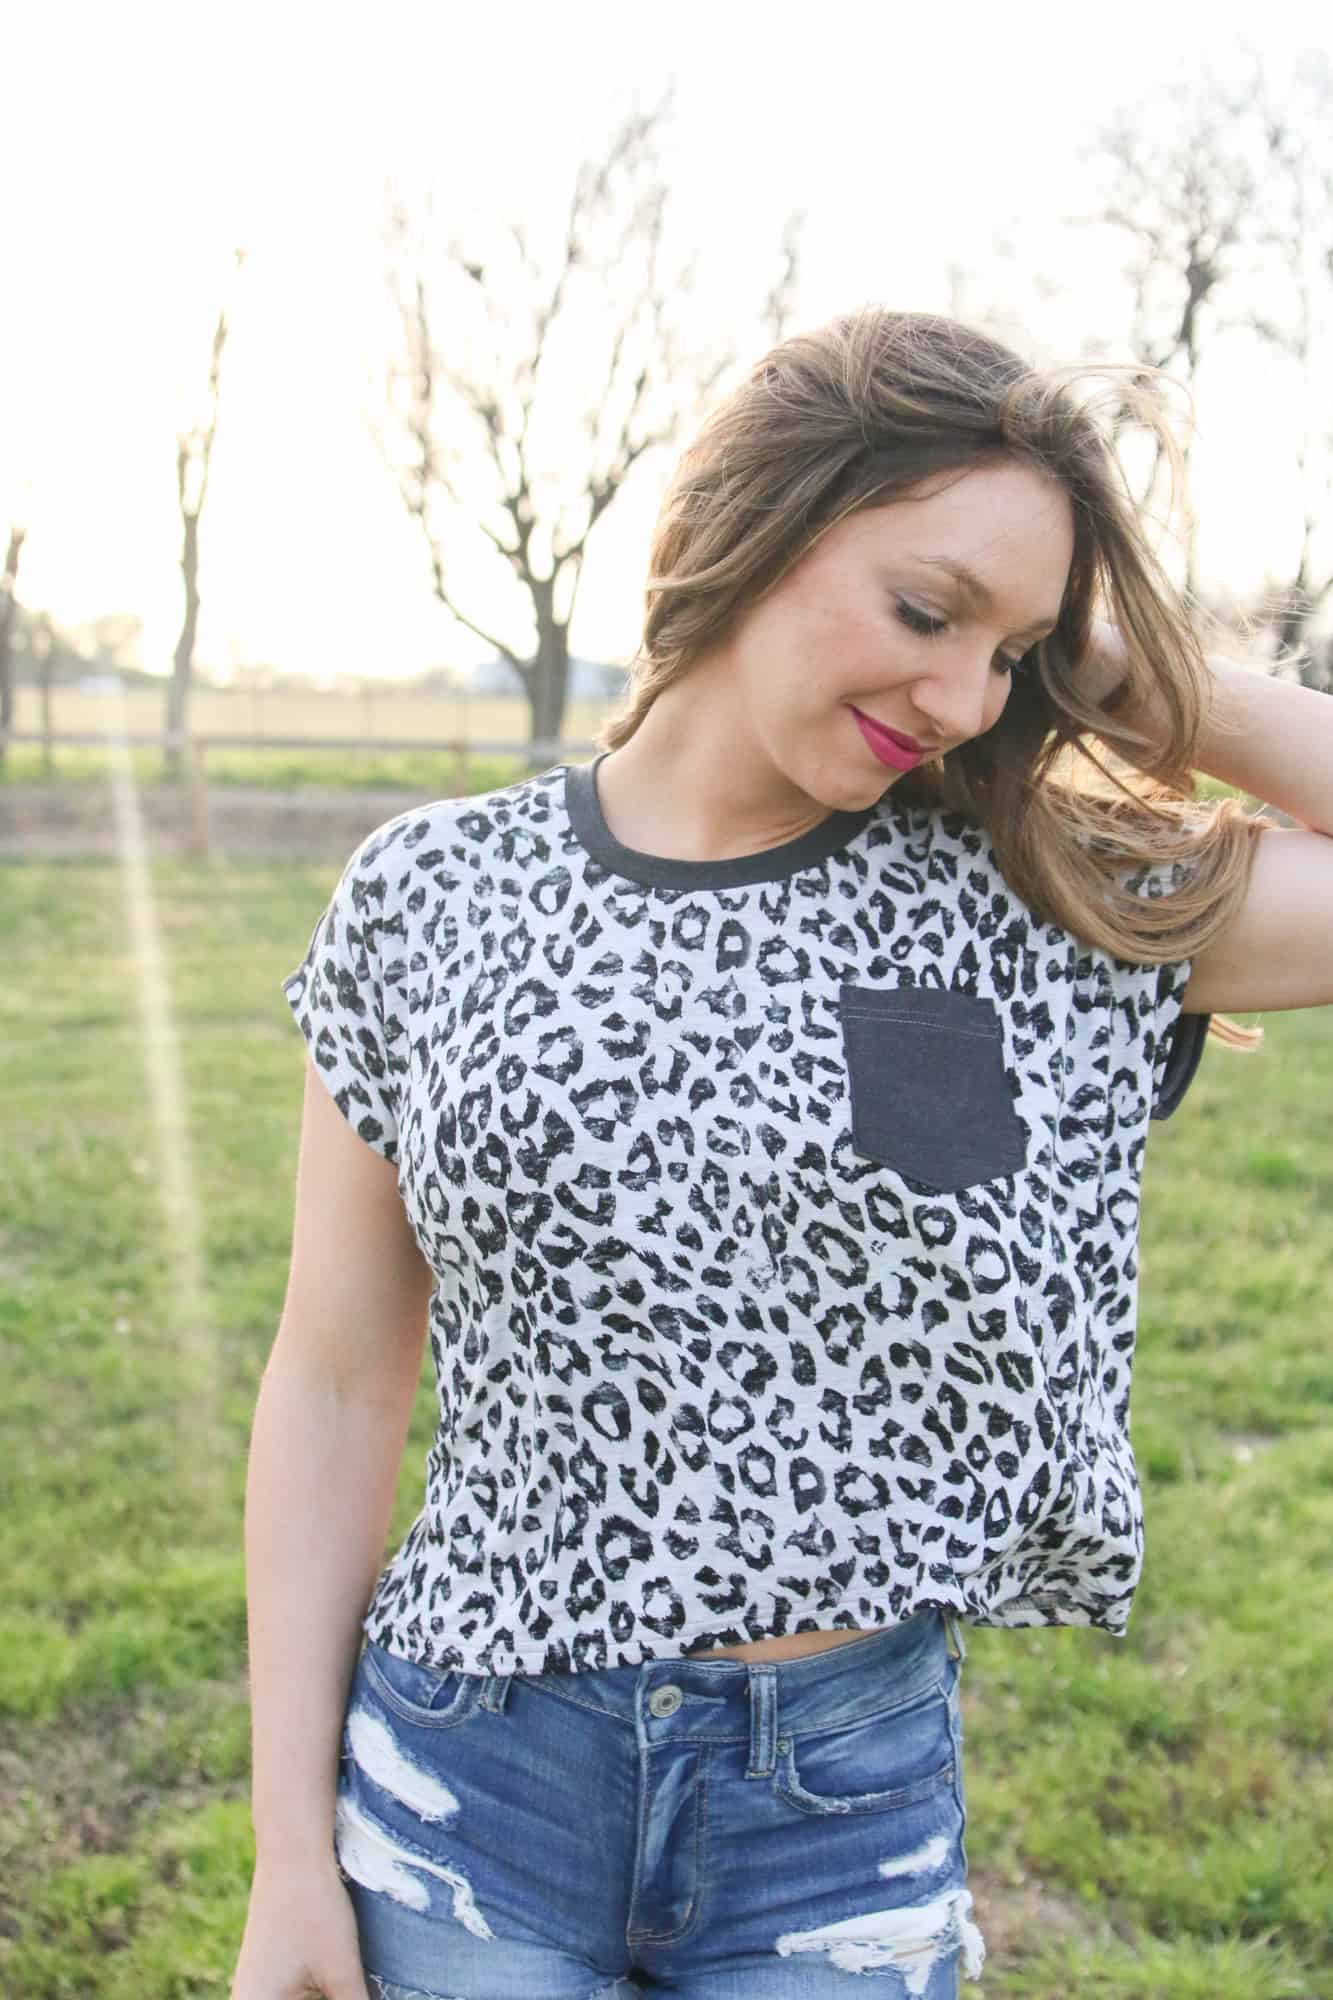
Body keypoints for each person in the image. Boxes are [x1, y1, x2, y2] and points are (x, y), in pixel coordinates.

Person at [231, 308, 1332, 2000]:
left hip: (839, 1819)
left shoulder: (1037, 893)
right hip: (468, 1776)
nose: (960, 698)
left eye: (1008, 654)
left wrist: (1113, 672)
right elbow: (332, 1378)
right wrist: (285, 1859)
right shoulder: (432, 893)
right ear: (755, 521)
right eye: (924, 610)